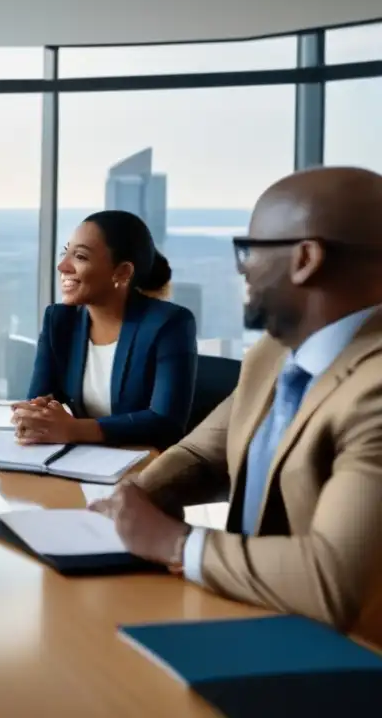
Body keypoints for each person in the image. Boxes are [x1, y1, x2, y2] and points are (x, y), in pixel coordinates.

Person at [91, 166, 382, 644]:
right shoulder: (272, 353)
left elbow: (334, 579)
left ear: (305, 259)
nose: (242, 269)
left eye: (250, 252)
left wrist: (174, 543)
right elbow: (205, 454)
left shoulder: (373, 389)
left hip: (342, 659)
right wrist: (133, 499)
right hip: (248, 614)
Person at [14, 210, 198, 450]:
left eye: (79, 256)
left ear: (122, 272)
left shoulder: (169, 323)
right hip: (81, 460)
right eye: (65, 253)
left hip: (140, 465)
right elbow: (40, 397)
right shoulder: (59, 320)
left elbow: (166, 423)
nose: (62, 266)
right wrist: (35, 413)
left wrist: (75, 429)